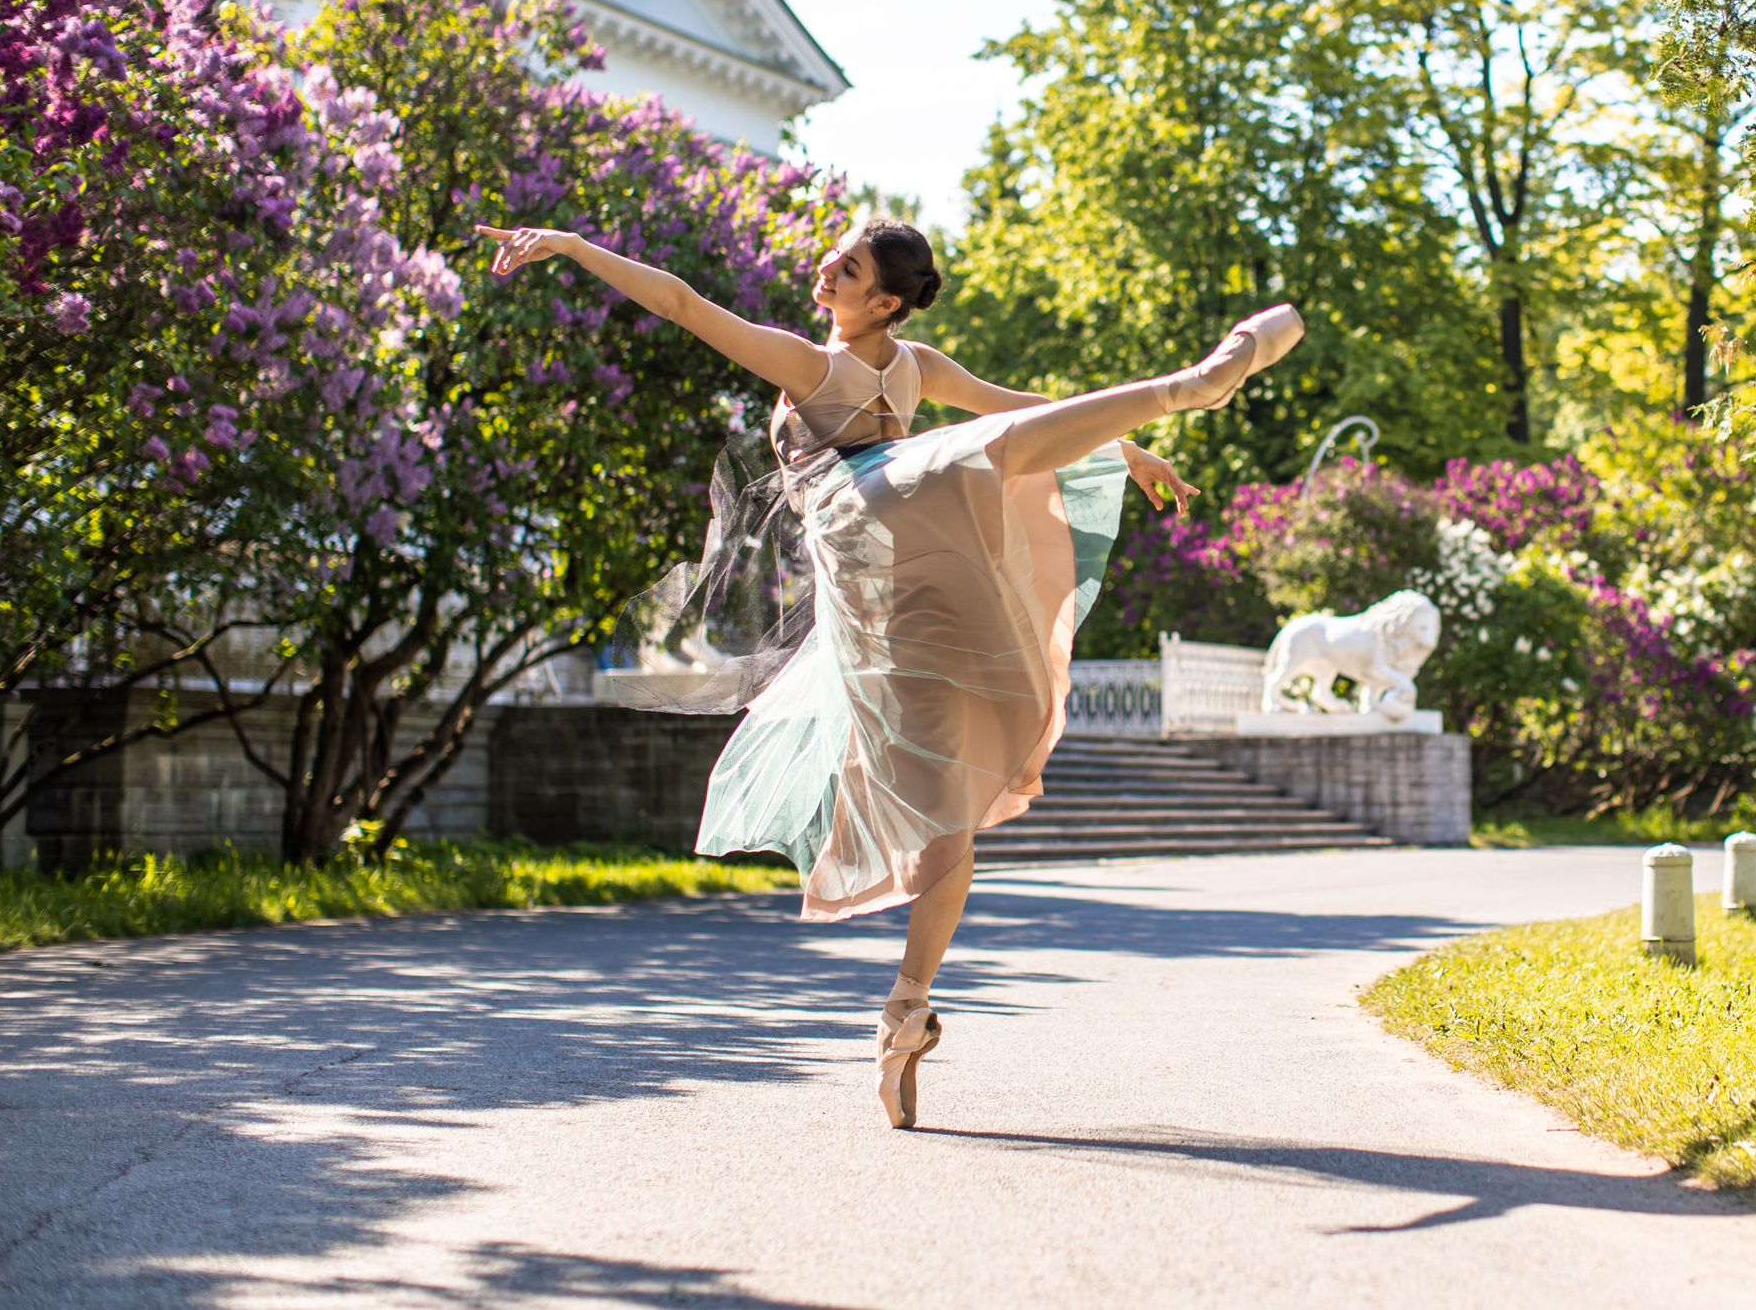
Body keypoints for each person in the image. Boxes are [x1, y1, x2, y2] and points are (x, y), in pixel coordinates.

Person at [476, 214, 1301, 1128]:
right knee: (985, 468)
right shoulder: (917, 364)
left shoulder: (814, 365)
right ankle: (1185, 385)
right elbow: (1016, 413)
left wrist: (570, 245)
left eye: (852, 266)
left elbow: (679, 301)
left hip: (872, 550)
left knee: (941, 790)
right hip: (918, 553)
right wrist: (1128, 444)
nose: (827, 265)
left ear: (884, 302)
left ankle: (908, 1010)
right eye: (838, 255)